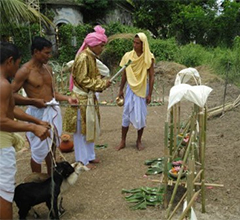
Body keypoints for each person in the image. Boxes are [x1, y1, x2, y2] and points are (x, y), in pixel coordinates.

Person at [11, 36, 78, 175]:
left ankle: (51, 177)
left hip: (52, 111)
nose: (50, 55)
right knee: (38, 150)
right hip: (37, 114)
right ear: (36, 51)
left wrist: (67, 98)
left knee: (52, 145)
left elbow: (53, 94)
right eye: (46, 53)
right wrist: (32, 101)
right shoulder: (24, 71)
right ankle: (36, 182)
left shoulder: (48, 69)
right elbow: (10, 96)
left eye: (50, 52)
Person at [0, 42, 50, 220]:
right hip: (1, 145)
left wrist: (35, 120)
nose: (17, 68)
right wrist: (32, 127)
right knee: (5, 193)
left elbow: (10, 109)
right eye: (17, 63)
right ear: (10, 61)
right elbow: (1, 120)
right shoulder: (3, 84)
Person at [63, 25, 111, 170]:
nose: (102, 48)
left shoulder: (91, 56)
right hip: (81, 99)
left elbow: (91, 77)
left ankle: (90, 156)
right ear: (94, 44)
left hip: (88, 97)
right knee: (81, 131)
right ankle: (82, 160)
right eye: (101, 45)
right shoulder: (84, 57)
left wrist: (101, 82)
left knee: (90, 128)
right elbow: (83, 80)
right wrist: (101, 84)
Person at [116, 33, 155, 151]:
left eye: (137, 43)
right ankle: (123, 141)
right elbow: (124, 74)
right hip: (130, 89)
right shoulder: (128, 56)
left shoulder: (149, 58)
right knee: (126, 114)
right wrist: (120, 90)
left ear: (143, 45)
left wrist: (150, 94)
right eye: (133, 42)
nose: (134, 45)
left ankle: (139, 141)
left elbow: (152, 76)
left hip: (142, 89)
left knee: (141, 116)